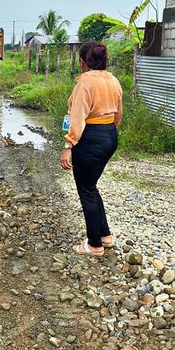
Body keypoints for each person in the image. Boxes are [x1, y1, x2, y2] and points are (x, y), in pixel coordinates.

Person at [60, 42, 123, 256]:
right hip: (109, 135)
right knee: (91, 186)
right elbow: (118, 114)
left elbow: (77, 116)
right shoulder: (113, 80)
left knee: (86, 190)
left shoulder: (85, 82)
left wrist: (69, 145)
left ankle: (94, 244)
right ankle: (105, 236)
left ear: (82, 62)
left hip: (90, 137)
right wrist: (107, 134)